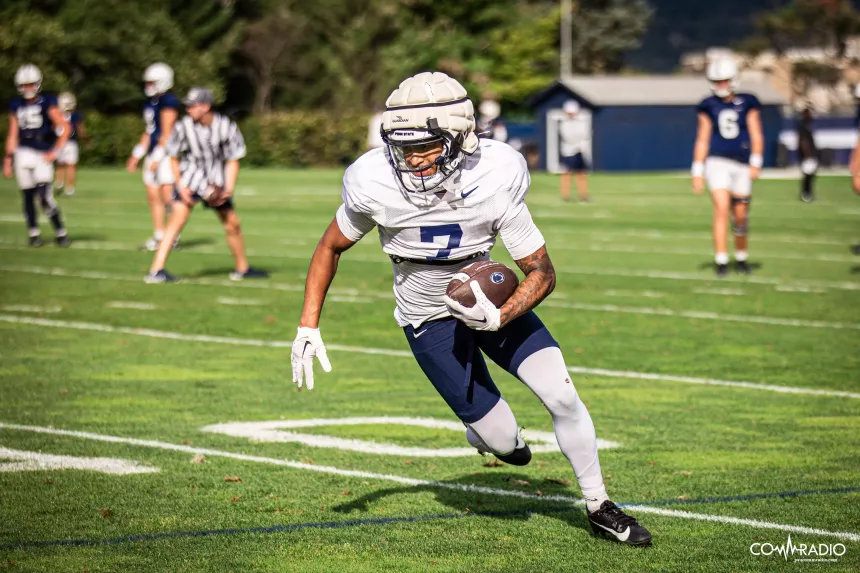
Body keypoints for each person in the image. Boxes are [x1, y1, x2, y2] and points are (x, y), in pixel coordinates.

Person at [290, 71, 651, 546]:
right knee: (508, 447)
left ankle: (600, 505)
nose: (412, 159)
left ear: (460, 136)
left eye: (426, 145)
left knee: (562, 396)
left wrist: (501, 315)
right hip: (426, 318)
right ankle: (489, 433)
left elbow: (542, 272)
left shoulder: (495, 173)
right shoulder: (373, 180)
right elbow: (329, 247)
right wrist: (308, 325)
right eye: (403, 147)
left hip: (493, 300)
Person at [145, 87, 268, 283]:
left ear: (206, 106)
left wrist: (228, 188)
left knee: (232, 224)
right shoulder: (183, 127)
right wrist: (181, 186)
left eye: (192, 105)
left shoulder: (226, 126)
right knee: (177, 220)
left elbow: (233, 159)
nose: (188, 109)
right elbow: (174, 158)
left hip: (216, 183)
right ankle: (156, 270)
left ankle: (242, 268)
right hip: (190, 180)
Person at [692, 57, 763, 276]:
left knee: (740, 215)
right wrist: (697, 170)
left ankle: (741, 258)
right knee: (721, 209)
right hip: (717, 162)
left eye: (724, 81)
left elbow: (755, 133)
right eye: (717, 81)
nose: (721, 85)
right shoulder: (708, 105)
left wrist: (756, 161)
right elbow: (702, 138)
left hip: (741, 163)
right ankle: (721, 260)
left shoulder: (748, 102)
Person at [3, 64, 71, 247]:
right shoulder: (16, 104)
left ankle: (60, 230)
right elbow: (13, 133)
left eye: (31, 84)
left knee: (43, 196)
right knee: (27, 195)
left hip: (42, 152)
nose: (28, 88)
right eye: (24, 85)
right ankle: (33, 233)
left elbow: (65, 128)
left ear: (38, 84)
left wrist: (54, 152)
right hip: (23, 152)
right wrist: (8, 158)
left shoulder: (48, 101)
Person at [126, 63, 179, 251]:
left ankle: (173, 235)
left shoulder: (169, 101)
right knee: (152, 195)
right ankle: (159, 235)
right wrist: (137, 154)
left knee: (167, 195)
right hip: (154, 152)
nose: (148, 85)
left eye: (152, 82)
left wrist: (157, 157)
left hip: (167, 154)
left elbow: (167, 132)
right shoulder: (150, 103)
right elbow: (149, 131)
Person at [54, 92, 87, 197]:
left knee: (60, 165)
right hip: (71, 142)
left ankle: (59, 183)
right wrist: (86, 140)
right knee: (71, 166)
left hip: (59, 142)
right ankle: (70, 189)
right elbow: (81, 129)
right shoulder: (75, 115)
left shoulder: (56, 113)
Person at [558, 100, 591, 203]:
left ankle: (583, 195)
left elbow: (585, 134)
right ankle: (565, 195)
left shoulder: (582, 122)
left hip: (580, 150)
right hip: (568, 151)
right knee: (567, 174)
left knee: (581, 173)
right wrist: (577, 139)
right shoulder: (564, 123)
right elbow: (567, 136)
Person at [797, 107, 818, 203]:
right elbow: (803, 141)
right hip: (807, 155)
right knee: (808, 175)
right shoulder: (803, 125)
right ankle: (806, 193)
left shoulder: (807, 125)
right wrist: (807, 154)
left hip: (810, 154)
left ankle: (808, 193)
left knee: (810, 175)